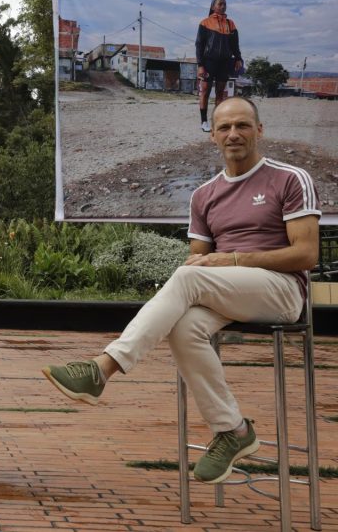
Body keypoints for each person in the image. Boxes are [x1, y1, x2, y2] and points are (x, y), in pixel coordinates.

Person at [42, 96, 319, 484]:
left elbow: (306, 254)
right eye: (224, 127)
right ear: (213, 136)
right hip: (231, 290)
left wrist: (233, 260)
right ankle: (234, 431)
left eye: (242, 125)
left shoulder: (289, 178)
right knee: (184, 326)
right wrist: (218, 265)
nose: (233, 134)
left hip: (283, 292)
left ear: (260, 130)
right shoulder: (204, 194)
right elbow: (199, 260)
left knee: (189, 278)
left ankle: (102, 368)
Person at [195, 0, 243, 133]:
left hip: (225, 62)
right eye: (220, 4)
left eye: (225, 4)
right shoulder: (205, 23)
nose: (223, 6)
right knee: (205, 92)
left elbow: (235, 44)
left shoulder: (231, 24)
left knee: (220, 93)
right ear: (213, 7)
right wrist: (200, 64)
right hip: (208, 62)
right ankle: (204, 122)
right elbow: (199, 45)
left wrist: (238, 58)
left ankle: (217, 122)